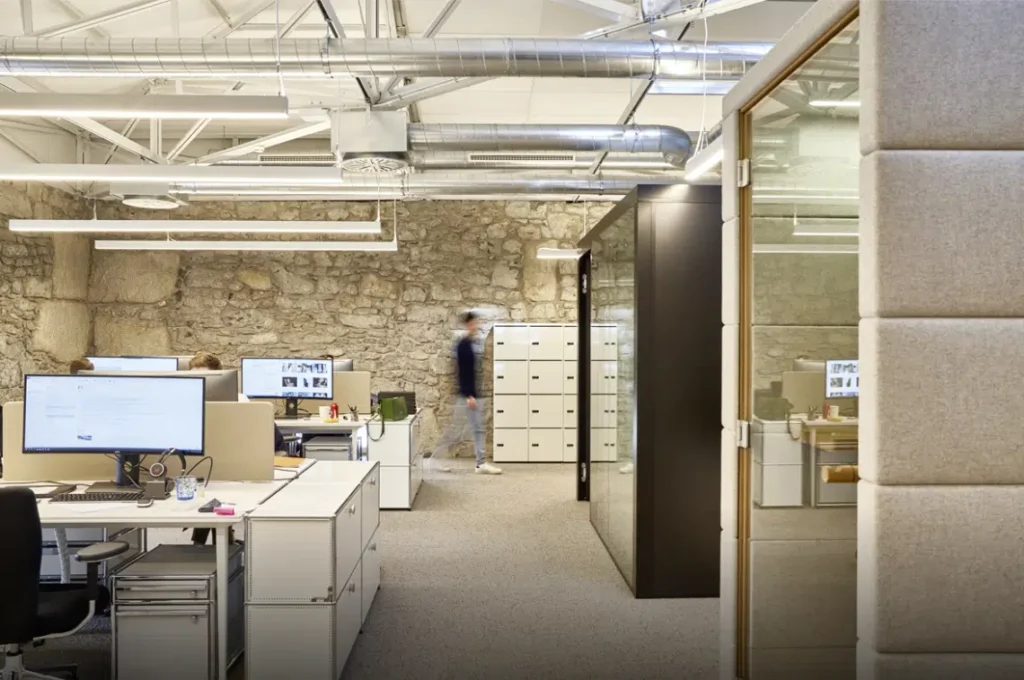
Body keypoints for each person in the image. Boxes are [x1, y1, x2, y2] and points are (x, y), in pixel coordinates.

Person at [430, 312, 502, 475]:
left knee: (478, 428)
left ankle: (481, 463)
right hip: (467, 396)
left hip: (473, 394)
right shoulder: (463, 345)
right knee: (455, 431)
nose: (478, 326)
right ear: (469, 324)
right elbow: (462, 372)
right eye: (475, 323)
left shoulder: (473, 343)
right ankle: (436, 459)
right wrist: (469, 395)